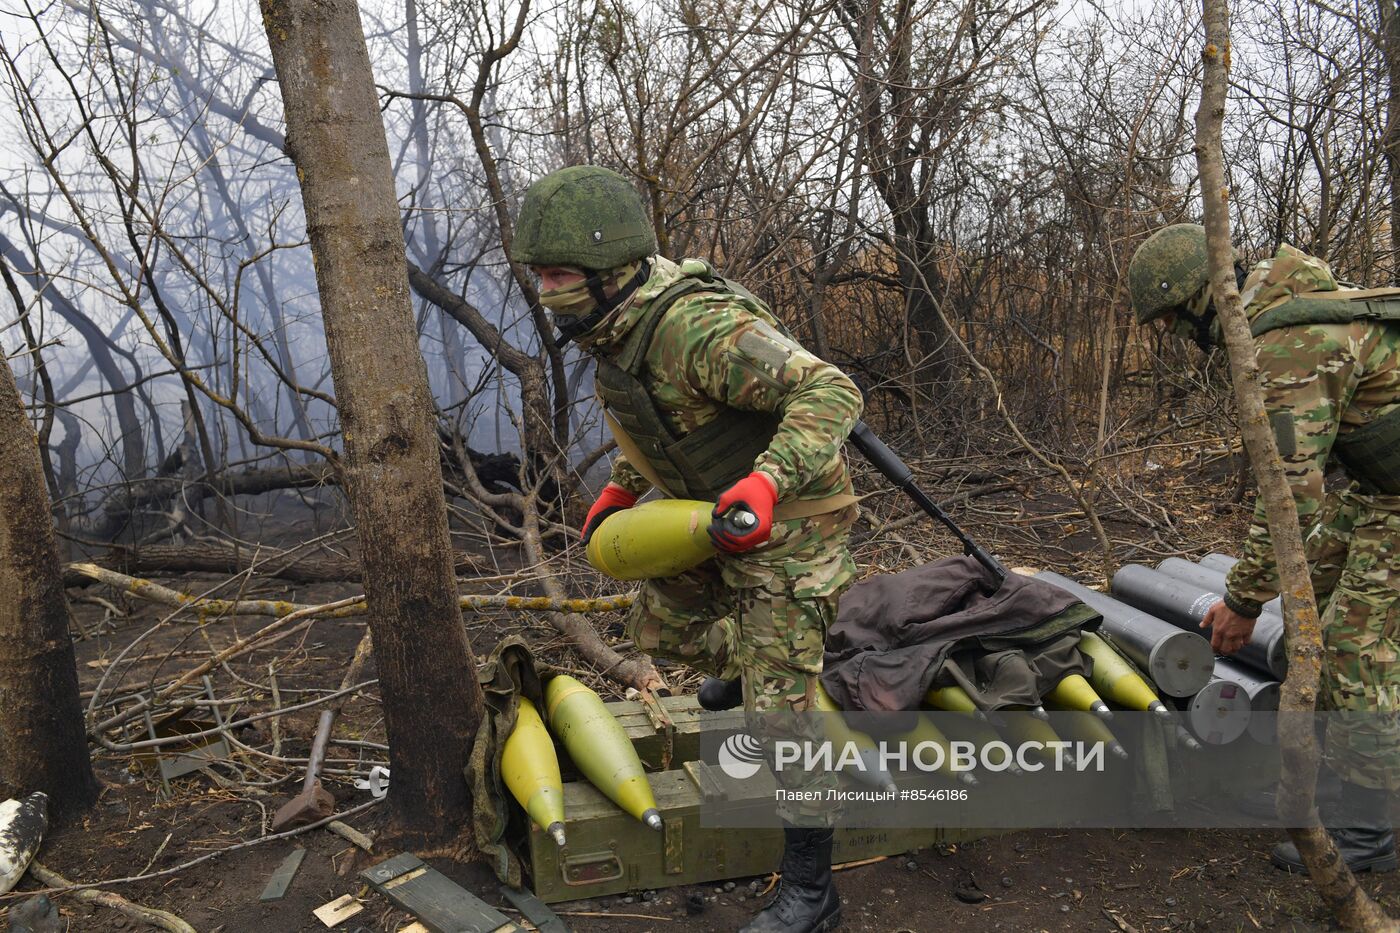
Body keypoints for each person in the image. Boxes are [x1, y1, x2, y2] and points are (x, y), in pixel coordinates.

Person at [511, 164, 862, 932]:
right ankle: (748, 662)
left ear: (610, 272)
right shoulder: (618, 327)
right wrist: (622, 486)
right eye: (538, 275)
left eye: (561, 275)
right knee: (658, 630)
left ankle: (813, 890)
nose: (547, 291)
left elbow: (831, 390)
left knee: (780, 725)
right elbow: (673, 419)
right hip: (714, 511)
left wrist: (768, 483)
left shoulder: (695, 326)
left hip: (795, 520)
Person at [1128, 223, 1400, 873]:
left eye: (1170, 318)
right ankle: (1333, 778)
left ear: (1196, 296)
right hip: (1378, 490)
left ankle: (1365, 830)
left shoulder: (1287, 344)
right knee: (1317, 614)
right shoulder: (1279, 313)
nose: (1172, 335)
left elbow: (1290, 499)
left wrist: (1243, 600)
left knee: (1353, 645)